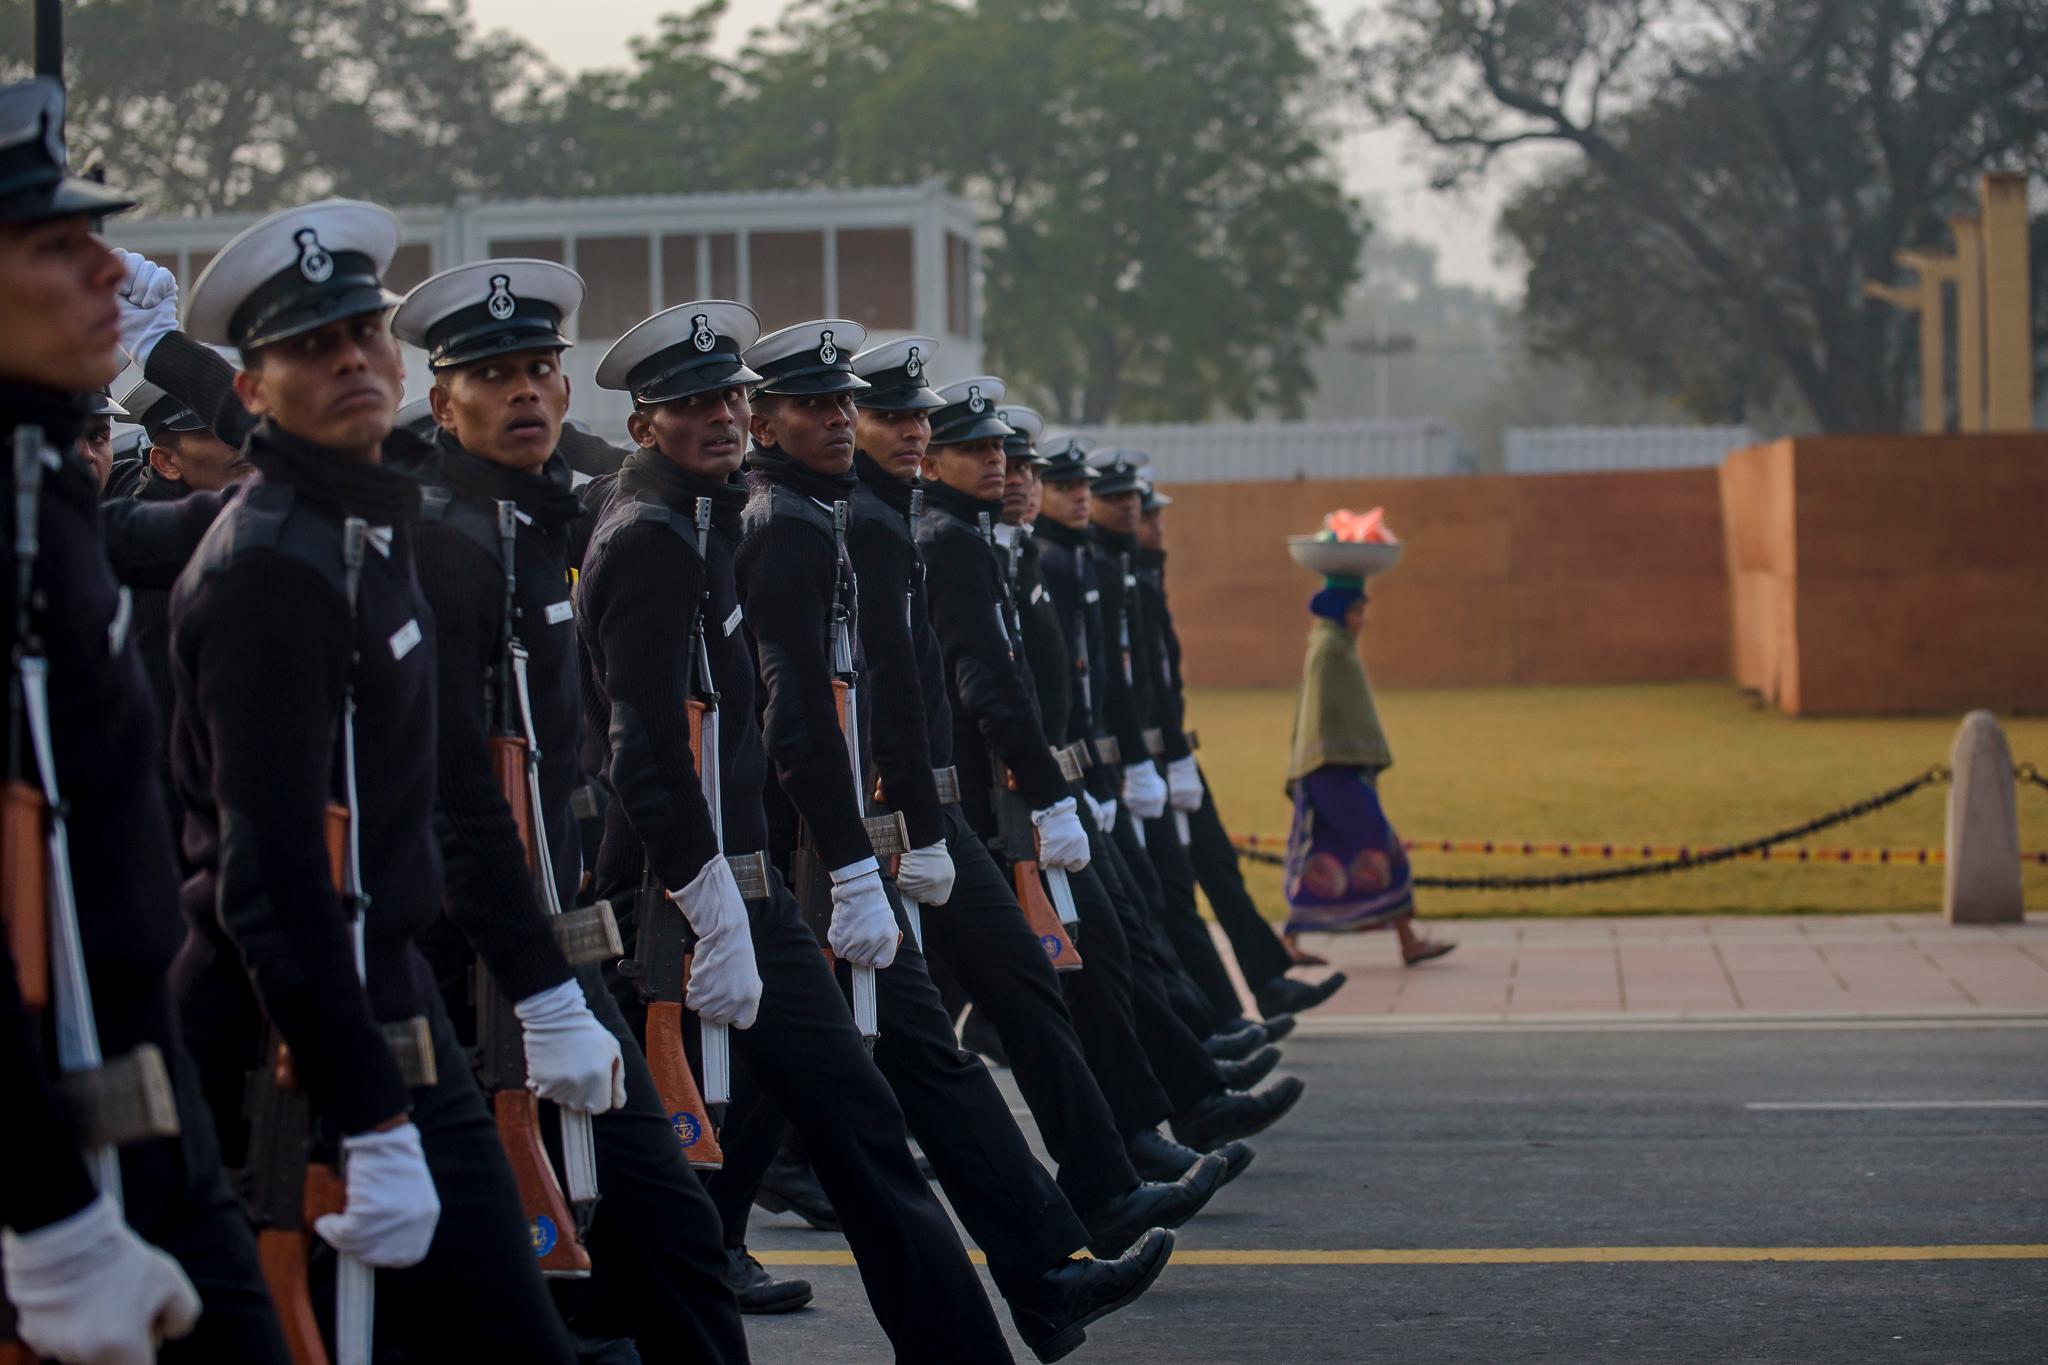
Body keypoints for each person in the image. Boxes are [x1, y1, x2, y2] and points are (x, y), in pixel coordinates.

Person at [166, 198, 579, 1362]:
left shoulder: (361, 529)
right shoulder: (273, 567)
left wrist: (539, 991)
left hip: (387, 997)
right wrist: (369, 1108)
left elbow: (444, 781)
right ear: (252, 391)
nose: (349, 361)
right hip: (294, 1025)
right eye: (310, 347)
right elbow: (272, 882)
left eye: (361, 335)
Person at [735, 321, 1173, 1362]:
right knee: (853, 1091)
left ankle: (1049, 1268)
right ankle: (645, 1281)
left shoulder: (837, 516)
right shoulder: (793, 525)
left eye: (856, 405)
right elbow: (800, 719)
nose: (856, 424)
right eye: (824, 407)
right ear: (766, 424)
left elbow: (895, 690)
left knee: (893, 1069)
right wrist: (862, 859)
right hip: (807, 852)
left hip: (859, 837)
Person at [582, 300, 1010, 1355]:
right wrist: (711, 899)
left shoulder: (708, 518)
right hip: (677, 890)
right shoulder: (651, 538)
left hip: (742, 884)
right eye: (694, 404)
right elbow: (648, 749)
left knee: (850, 1123)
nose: (722, 416)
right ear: (644, 425)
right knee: (649, 1180)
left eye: (729, 396)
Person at [391, 260, 749, 1362]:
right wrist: (545, 991)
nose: (526, 391)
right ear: (443, 403)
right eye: (492, 375)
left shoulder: (529, 520)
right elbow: (460, 796)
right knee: (461, 1279)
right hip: (468, 959)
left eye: (539, 368)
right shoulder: (444, 542)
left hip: (551, 938)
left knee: (669, 1233)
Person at [0, 73, 289, 1364]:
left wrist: (174, 357)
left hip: (130, 1067)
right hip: (48, 1111)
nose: (108, 273)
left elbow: (316, 490)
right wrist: (47, 1206)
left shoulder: (43, 495)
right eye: (57, 246)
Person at [845, 353, 1229, 1246]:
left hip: (964, 807)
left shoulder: (947, 533)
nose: (1002, 469)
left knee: (1032, 983)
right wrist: (1044, 796)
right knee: (836, 1050)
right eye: (980, 451)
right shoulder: (923, 535)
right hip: (942, 810)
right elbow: (965, 685)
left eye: (1009, 455)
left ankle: (1110, 1170)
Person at [1132, 482, 1349, 1015]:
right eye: (1143, 514)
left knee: (1217, 866)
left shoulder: (1143, 575)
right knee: (1163, 893)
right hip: (1137, 761)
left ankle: (1265, 985)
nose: (1155, 524)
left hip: (1169, 754)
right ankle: (1214, 1015)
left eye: (1154, 513)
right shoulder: (1116, 578)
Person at [1283, 520, 1454, 964]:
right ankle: (1405, 940)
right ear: (1341, 610)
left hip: (1340, 771)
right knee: (1379, 846)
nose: (1363, 619)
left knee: (1333, 853)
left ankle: (1296, 942)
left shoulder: (1336, 645)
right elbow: (1320, 720)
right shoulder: (1329, 650)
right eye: (1357, 610)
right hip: (1330, 773)